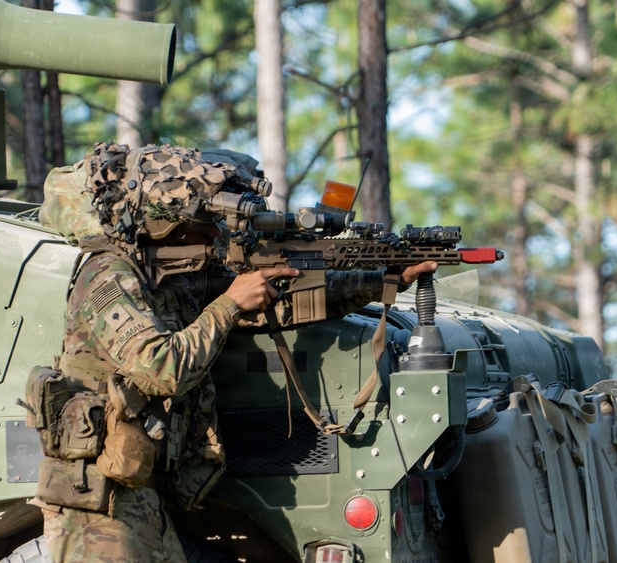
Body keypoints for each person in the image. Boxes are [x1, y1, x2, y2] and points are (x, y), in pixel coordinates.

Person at [34, 142, 436, 562]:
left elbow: (277, 304)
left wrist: (382, 279)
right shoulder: (107, 275)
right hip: (96, 501)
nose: (213, 234)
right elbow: (160, 367)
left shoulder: (170, 276)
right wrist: (229, 304)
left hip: (137, 490)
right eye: (199, 224)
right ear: (157, 224)